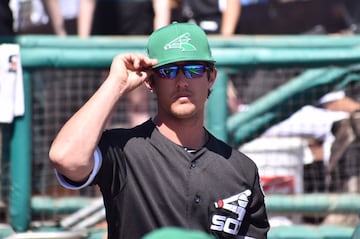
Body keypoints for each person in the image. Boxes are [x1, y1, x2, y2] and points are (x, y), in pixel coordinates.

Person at [49, 22, 269, 239]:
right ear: (150, 82)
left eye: (194, 69)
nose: (182, 81)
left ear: (211, 77)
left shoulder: (241, 169)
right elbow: (66, 158)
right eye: (168, 71)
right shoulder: (123, 150)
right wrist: (116, 84)